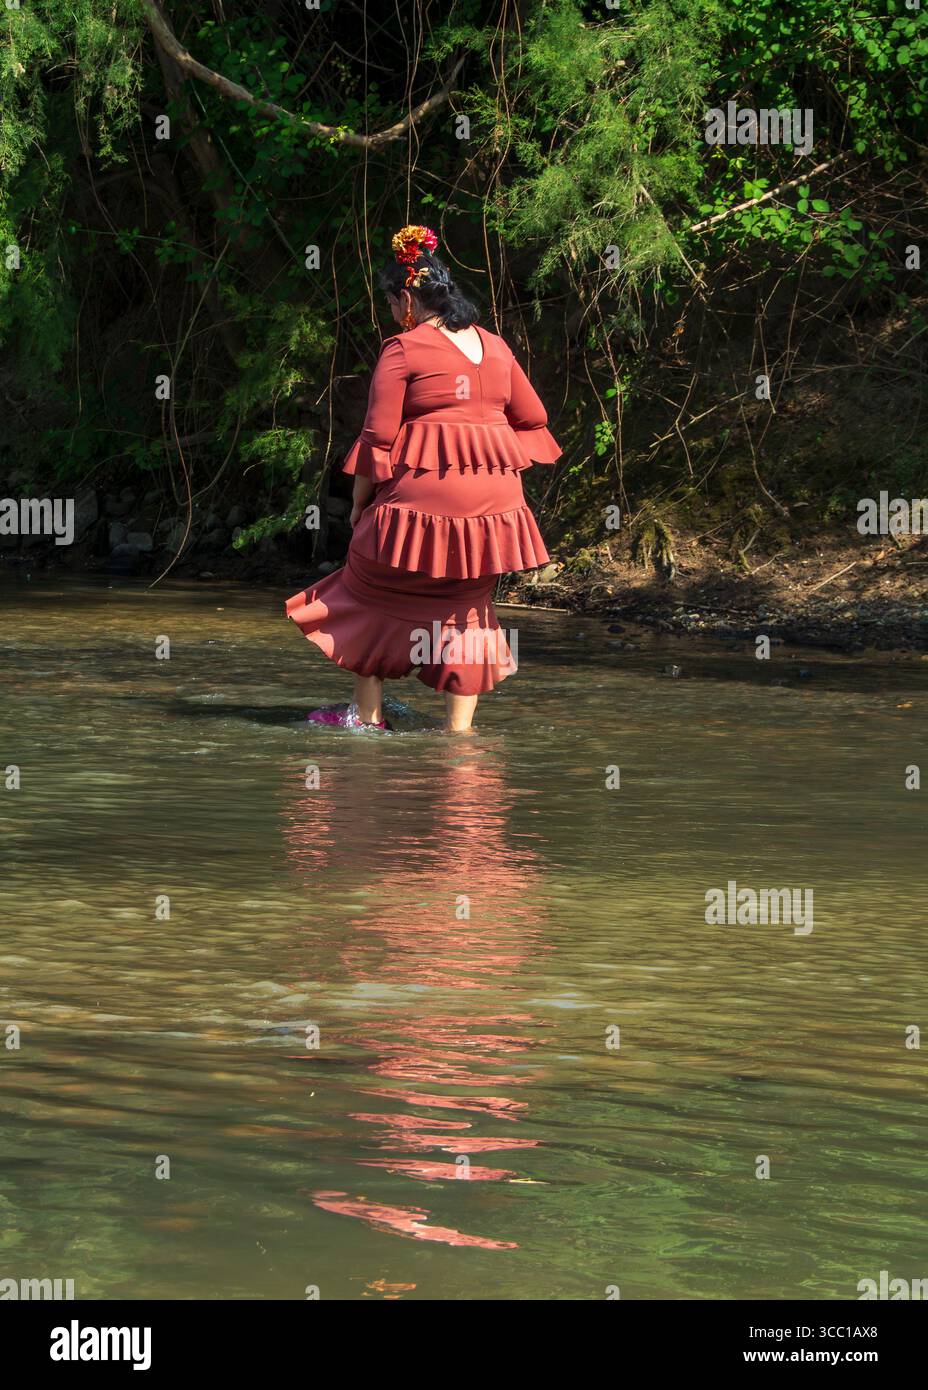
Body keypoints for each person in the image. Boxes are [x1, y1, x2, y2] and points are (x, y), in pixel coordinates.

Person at [284, 224, 561, 734]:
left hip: (419, 501)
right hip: (496, 510)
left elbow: (377, 440)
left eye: (391, 302)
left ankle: (366, 722)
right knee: (468, 608)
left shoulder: (403, 348)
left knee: (367, 589)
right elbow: (533, 414)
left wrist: (362, 507)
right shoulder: (495, 346)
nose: (390, 312)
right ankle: (460, 739)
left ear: (408, 298)